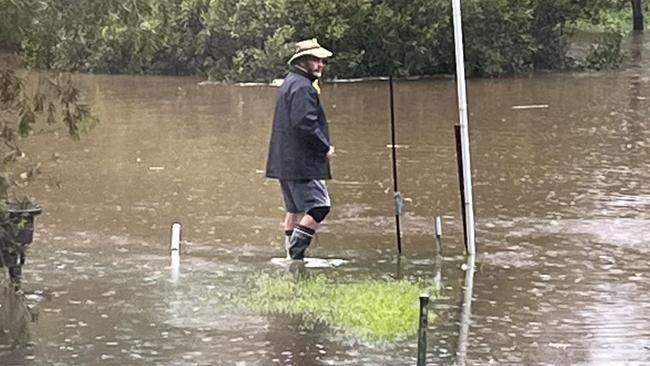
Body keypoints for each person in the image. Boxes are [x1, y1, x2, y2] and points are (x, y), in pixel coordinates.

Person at [265, 38, 335, 260]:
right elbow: (305, 123)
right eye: (316, 60)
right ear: (303, 61)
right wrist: (324, 147)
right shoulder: (303, 88)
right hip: (302, 163)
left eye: (322, 60)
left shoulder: (290, 82)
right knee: (320, 207)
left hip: (285, 162)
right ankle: (296, 255)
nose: (321, 64)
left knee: (294, 210)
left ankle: (290, 259)